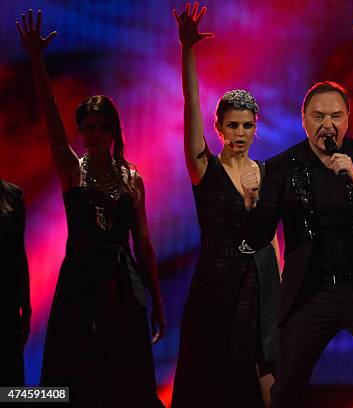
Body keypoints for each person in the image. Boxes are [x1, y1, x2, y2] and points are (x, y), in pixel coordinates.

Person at [241, 46, 353, 408]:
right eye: (318, 116)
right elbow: (257, 236)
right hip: (310, 293)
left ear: (347, 119)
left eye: (335, 115)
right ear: (304, 119)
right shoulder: (281, 167)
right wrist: (252, 204)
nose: (327, 124)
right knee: (286, 390)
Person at [17, 10, 165, 407]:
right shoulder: (70, 170)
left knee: (124, 377)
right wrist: (36, 61)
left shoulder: (133, 178)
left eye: (103, 126)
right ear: (80, 132)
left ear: (113, 131)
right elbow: (50, 116)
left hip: (123, 285)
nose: (95, 133)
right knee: (74, 372)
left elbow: (145, 243)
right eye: (89, 127)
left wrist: (157, 300)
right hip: (79, 282)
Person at [170, 3, 281, 407]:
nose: (239, 133)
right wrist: (187, 50)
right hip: (215, 285)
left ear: (256, 127)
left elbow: (272, 241)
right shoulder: (204, 168)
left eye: (247, 125)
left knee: (261, 369)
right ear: (218, 128)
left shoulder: (267, 173)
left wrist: (278, 291)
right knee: (210, 373)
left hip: (258, 282)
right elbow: (190, 103)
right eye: (231, 125)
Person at [0, 179, 30, 386]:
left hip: (6, 305)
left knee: (10, 388)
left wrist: (26, 307)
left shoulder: (13, 195)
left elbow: (19, 254)